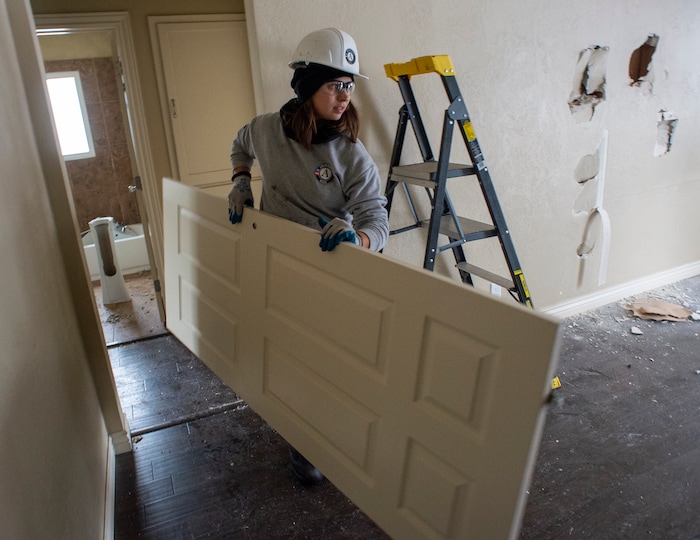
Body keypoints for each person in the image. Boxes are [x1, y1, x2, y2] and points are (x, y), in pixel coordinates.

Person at [227, 28, 389, 484]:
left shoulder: (352, 157)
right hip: (275, 263)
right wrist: (241, 180)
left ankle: (330, 437)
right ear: (307, 85)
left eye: (350, 86)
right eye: (334, 85)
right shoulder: (264, 130)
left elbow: (377, 220)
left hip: (327, 267)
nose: (345, 97)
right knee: (287, 357)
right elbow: (241, 144)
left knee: (328, 363)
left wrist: (358, 240)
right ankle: (301, 441)